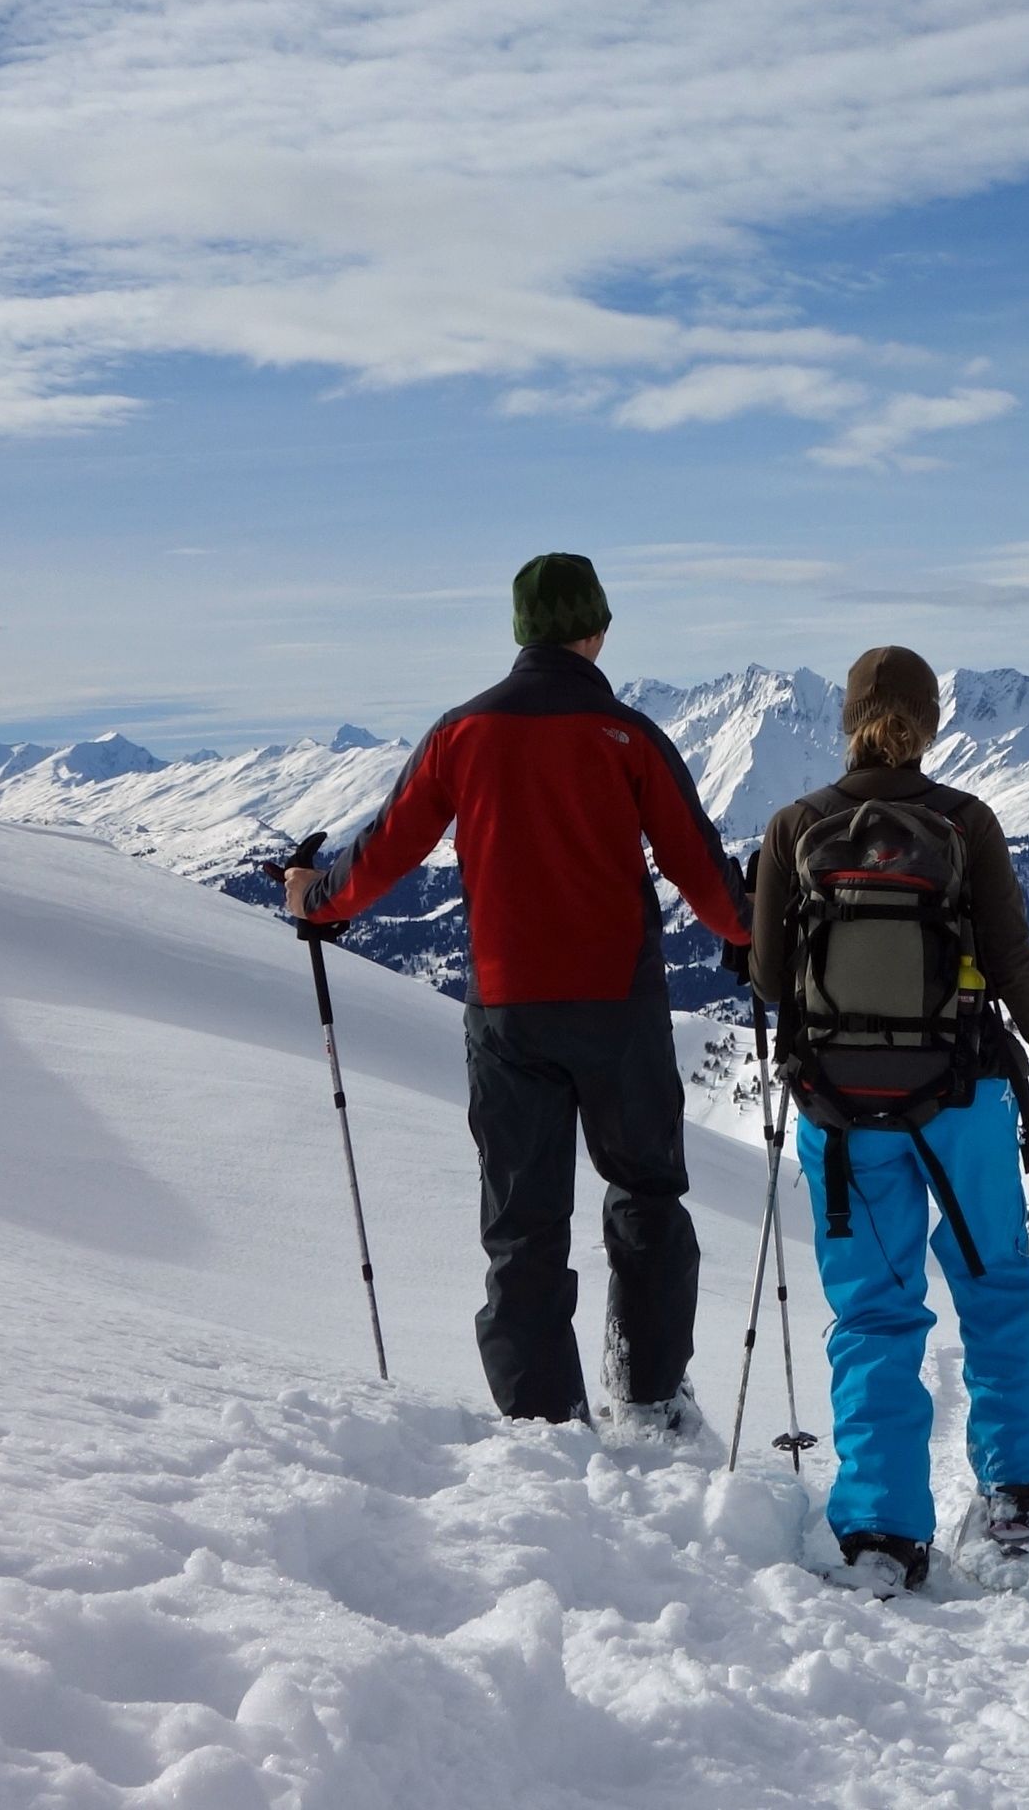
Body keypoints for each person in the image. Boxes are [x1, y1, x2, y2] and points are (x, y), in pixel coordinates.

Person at [285, 553, 750, 1431]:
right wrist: (755, 928)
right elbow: (705, 878)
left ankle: (543, 1421)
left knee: (522, 1222)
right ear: (596, 630)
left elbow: (383, 852)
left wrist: (315, 898)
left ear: (519, 631)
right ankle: (650, 1395)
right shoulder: (628, 736)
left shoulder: (461, 734)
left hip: (507, 1012)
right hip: (618, 1007)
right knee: (646, 1193)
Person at [749, 644, 1029, 1593]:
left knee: (872, 1312)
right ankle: (1019, 1486)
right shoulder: (963, 820)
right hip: (961, 1097)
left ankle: (878, 1525)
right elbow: (1011, 957)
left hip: (840, 1112)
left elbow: (769, 979)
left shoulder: (795, 825)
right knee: (994, 1285)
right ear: (931, 723)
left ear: (846, 719)